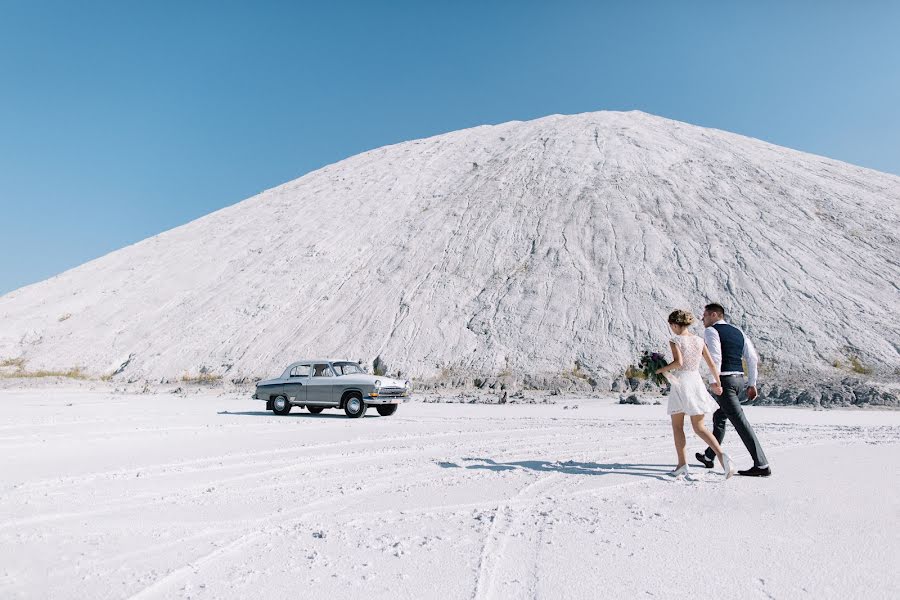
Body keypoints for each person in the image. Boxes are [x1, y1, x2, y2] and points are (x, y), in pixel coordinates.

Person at [655, 309, 736, 479]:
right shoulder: (699, 340)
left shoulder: (675, 339)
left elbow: (678, 362)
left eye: (671, 325)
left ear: (676, 325)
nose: (671, 328)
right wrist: (718, 384)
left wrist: (660, 369)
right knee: (700, 427)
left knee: (677, 426)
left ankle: (682, 464)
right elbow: (712, 365)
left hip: (681, 383)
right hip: (696, 381)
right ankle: (722, 456)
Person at [695, 303, 771, 477]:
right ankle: (709, 455)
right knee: (720, 416)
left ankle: (762, 465)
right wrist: (752, 383)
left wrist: (715, 381)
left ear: (714, 315)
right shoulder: (738, 331)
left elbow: (715, 357)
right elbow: (752, 358)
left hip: (725, 382)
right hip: (739, 381)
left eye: (705, 315)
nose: (702, 318)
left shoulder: (711, 331)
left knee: (741, 423)